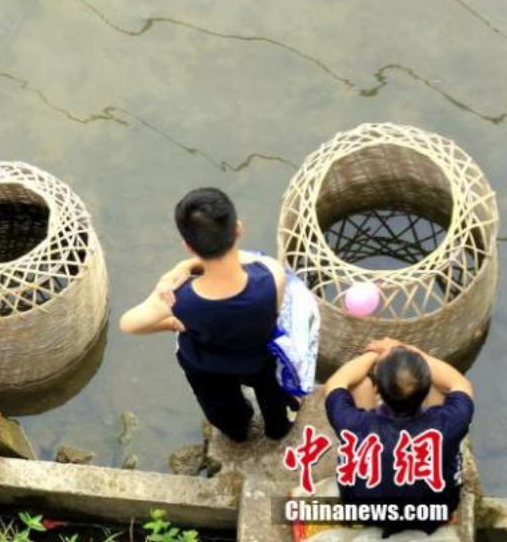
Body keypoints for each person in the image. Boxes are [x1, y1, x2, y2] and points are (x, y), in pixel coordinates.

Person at [119, 187, 298, 441]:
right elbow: (274, 310)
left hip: (205, 363)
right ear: (238, 229)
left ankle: (237, 432)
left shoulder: (177, 297)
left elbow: (129, 324)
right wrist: (190, 264)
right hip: (258, 356)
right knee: (272, 392)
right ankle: (277, 427)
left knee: (223, 410)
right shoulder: (271, 273)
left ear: (188, 246)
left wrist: (171, 320)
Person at [324, 338, 473, 535]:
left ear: (379, 390)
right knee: (442, 388)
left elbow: (336, 383)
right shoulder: (449, 423)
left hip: (366, 510)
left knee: (360, 384)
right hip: (432, 513)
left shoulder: (355, 426)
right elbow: (459, 383)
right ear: (424, 388)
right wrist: (402, 349)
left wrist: (376, 354)